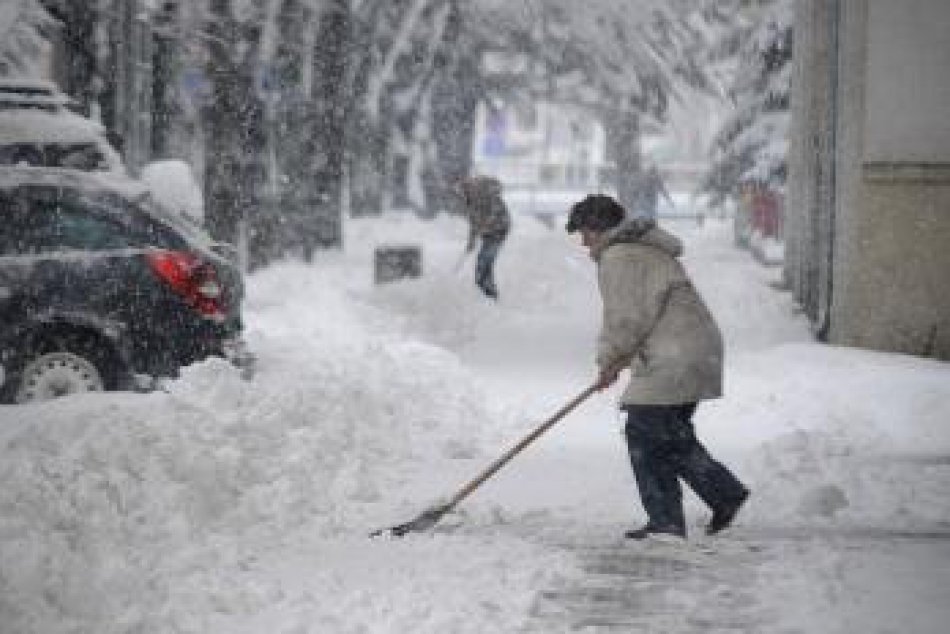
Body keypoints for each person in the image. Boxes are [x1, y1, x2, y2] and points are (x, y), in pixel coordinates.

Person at [566, 194, 748, 539]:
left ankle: (705, 501)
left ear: (598, 228)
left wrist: (609, 360)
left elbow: (626, 318)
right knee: (661, 435)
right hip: (690, 348)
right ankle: (683, 511)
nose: (584, 242)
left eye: (584, 232)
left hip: (675, 353)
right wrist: (616, 361)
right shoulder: (642, 250)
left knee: (649, 433)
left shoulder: (619, 257)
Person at [458, 175, 511, 299]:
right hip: (488, 233)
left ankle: (489, 292)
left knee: (485, 259)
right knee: (483, 261)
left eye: (464, 189)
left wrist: (486, 223)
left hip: (499, 230)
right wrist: (471, 242)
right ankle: (484, 287)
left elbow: (494, 211)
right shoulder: (469, 200)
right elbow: (473, 222)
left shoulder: (487, 194)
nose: (463, 193)